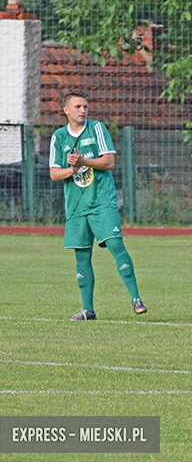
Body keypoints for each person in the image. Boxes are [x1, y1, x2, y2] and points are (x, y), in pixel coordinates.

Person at [49, 89, 147, 320]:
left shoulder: (97, 128)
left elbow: (109, 161)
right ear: (66, 111)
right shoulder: (58, 137)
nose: (83, 110)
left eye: (85, 106)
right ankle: (88, 310)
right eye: (77, 107)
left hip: (102, 201)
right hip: (76, 206)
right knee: (82, 257)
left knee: (115, 246)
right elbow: (55, 174)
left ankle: (136, 298)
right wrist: (72, 169)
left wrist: (84, 161)